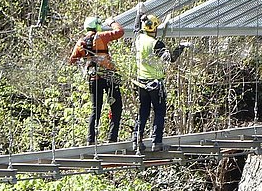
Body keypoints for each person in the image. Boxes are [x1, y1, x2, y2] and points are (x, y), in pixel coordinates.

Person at [132, 13, 187, 153]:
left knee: (143, 110)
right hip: (155, 83)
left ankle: (136, 139)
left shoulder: (139, 39)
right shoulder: (156, 44)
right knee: (159, 111)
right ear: (155, 28)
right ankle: (156, 141)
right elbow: (170, 58)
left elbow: (136, 28)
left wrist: (139, 14)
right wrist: (181, 47)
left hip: (142, 82)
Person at [68, 15, 125, 144]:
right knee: (116, 107)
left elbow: (72, 60)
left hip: (94, 78)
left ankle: (91, 140)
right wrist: (112, 22)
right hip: (109, 77)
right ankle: (112, 138)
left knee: (95, 109)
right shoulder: (101, 37)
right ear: (97, 26)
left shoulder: (81, 42)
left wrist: (85, 58)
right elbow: (119, 32)